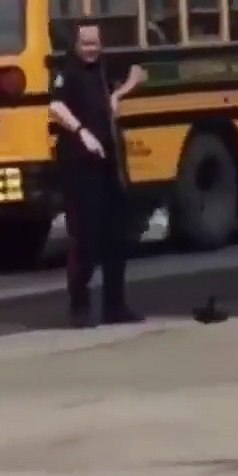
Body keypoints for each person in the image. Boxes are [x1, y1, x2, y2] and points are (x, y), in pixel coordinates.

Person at [50, 24, 147, 327]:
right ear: (76, 44)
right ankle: (79, 306)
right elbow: (55, 105)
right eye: (85, 43)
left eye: (95, 43)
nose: (91, 48)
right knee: (86, 240)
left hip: (110, 166)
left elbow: (138, 71)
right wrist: (81, 133)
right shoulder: (69, 72)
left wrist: (121, 92)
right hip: (81, 168)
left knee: (117, 239)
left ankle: (115, 306)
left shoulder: (104, 69)